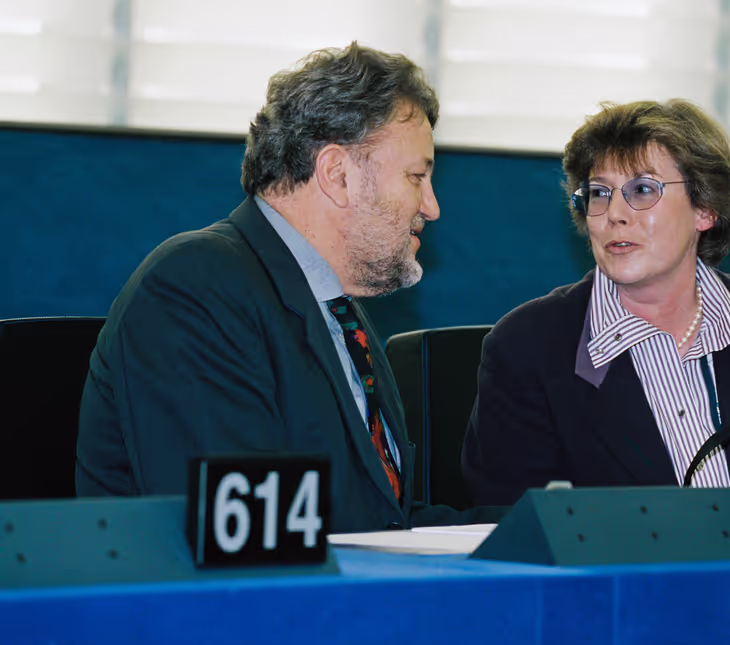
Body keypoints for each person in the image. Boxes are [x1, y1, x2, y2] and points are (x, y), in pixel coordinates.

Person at [76, 43, 504, 531]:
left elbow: (386, 521)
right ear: (336, 174)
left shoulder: (339, 313)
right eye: (416, 177)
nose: (431, 206)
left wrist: (537, 532)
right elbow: (241, 534)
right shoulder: (192, 287)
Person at [462, 99, 730, 506]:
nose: (614, 213)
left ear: (705, 209)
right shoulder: (528, 347)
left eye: (643, 190)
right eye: (598, 194)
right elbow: (515, 529)